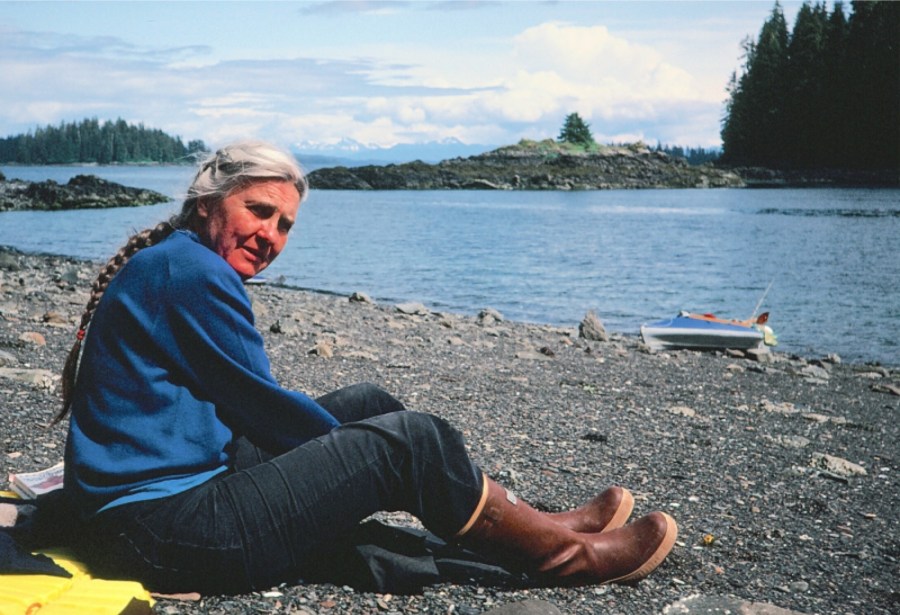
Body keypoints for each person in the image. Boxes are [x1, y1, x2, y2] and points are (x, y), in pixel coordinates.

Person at [57, 140, 677, 595]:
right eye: (259, 210)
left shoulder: (176, 260)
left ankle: (531, 522)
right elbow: (266, 410)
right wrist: (380, 460)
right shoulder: (194, 273)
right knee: (409, 442)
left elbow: (258, 412)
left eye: (284, 225)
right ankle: (565, 555)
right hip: (164, 534)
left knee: (368, 403)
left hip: (151, 510)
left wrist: (361, 448)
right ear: (208, 203)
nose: (271, 235)